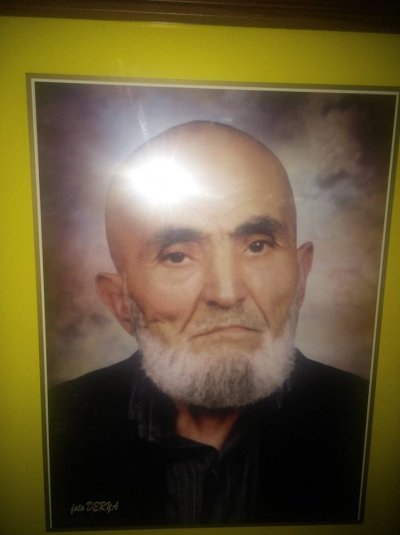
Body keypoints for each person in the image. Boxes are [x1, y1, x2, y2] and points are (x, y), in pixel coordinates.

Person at [48, 121, 368, 528]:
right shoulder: (46, 431)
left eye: (257, 245)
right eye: (177, 256)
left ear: (301, 277)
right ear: (120, 302)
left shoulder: (373, 423)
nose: (227, 293)